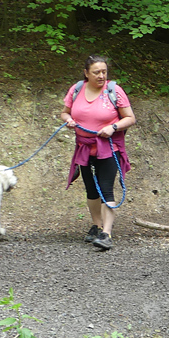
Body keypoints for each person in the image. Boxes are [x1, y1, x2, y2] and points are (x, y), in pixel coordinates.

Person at [60, 55, 135, 251]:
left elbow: (130, 118)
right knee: (91, 190)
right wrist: (68, 120)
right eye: (96, 72)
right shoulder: (77, 89)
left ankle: (106, 234)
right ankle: (97, 225)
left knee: (106, 188)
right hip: (84, 147)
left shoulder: (114, 91)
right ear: (86, 73)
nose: (101, 76)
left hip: (109, 148)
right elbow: (65, 112)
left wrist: (113, 127)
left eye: (104, 72)